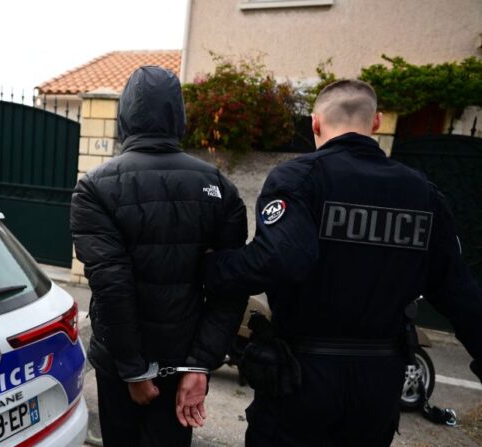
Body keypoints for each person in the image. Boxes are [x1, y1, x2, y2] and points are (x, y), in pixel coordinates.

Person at [196, 79, 482, 446]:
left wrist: (210, 267)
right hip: (378, 386)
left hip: (302, 379)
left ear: (315, 123)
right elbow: (459, 291)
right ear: (376, 122)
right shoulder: (422, 192)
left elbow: (280, 259)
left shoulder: (300, 178)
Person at [70, 65, 249, 447]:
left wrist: (134, 371)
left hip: (123, 368)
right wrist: (200, 363)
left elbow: (111, 286)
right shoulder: (219, 186)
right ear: (178, 116)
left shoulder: (93, 188)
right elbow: (230, 288)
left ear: (124, 115)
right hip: (179, 360)